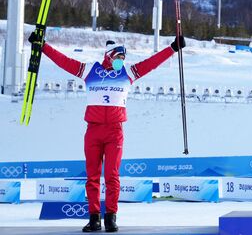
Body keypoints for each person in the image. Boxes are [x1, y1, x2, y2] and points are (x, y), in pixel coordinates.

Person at [29, 32, 185, 232]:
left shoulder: (128, 72)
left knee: (112, 175)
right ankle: (94, 218)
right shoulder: (89, 71)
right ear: (109, 55)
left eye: (123, 58)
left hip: (114, 131)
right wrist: (43, 46)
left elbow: (151, 63)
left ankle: (111, 217)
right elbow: (64, 61)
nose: (121, 61)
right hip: (93, 130)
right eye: (119, 57)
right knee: (92, 177)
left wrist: (173, 47)